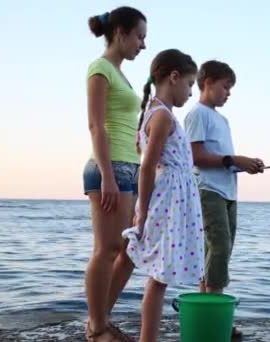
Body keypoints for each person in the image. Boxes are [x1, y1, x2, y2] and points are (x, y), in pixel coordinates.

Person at [121, 49, 204, 342]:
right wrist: (142, 209)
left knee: (160, 278)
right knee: (158, 278)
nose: (191, 92)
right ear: (174, 78)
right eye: (190, 84)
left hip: (173, 200)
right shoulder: (162, 117)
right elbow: (146, 167)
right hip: (167, 203)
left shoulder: (159, 114)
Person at [184, 60, 264, 339]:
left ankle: (208, 313)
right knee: (218, 249)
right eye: (225, 87)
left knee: (221, 252)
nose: (228, 93)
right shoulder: (197, 114)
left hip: (229, 192)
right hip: (208, 191)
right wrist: (233, 159)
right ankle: (215, 316)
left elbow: (222, 159)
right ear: (207, 82)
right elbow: (196, 157)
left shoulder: (223, 119)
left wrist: (245, 164)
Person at [83, 6, 147, 342]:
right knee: (107, 249)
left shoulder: (121, 74)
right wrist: (107, 175)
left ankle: (99, 319)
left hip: (129, 169)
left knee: (130, 249)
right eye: (139, 36)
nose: (143, 44)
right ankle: (96, 327)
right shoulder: (100, 68)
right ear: (120, 32)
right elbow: (96, 125)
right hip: (109, 169)